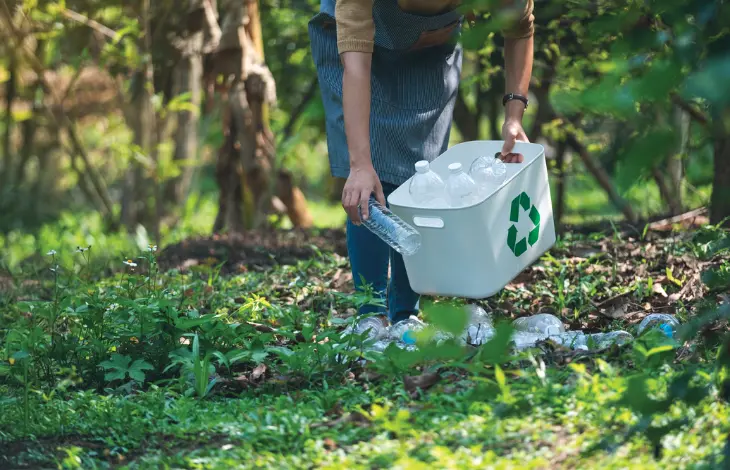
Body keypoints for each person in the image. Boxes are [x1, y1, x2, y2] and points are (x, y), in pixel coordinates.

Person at [309, 0, 534, 326]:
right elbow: (355, 68)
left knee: (419, 177)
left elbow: (520, 28)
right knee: (370, 179)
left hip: (433, 51)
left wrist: (514, 115)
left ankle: (405, 314)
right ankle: (370, 317)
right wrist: (359, 165)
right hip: (354, 51)